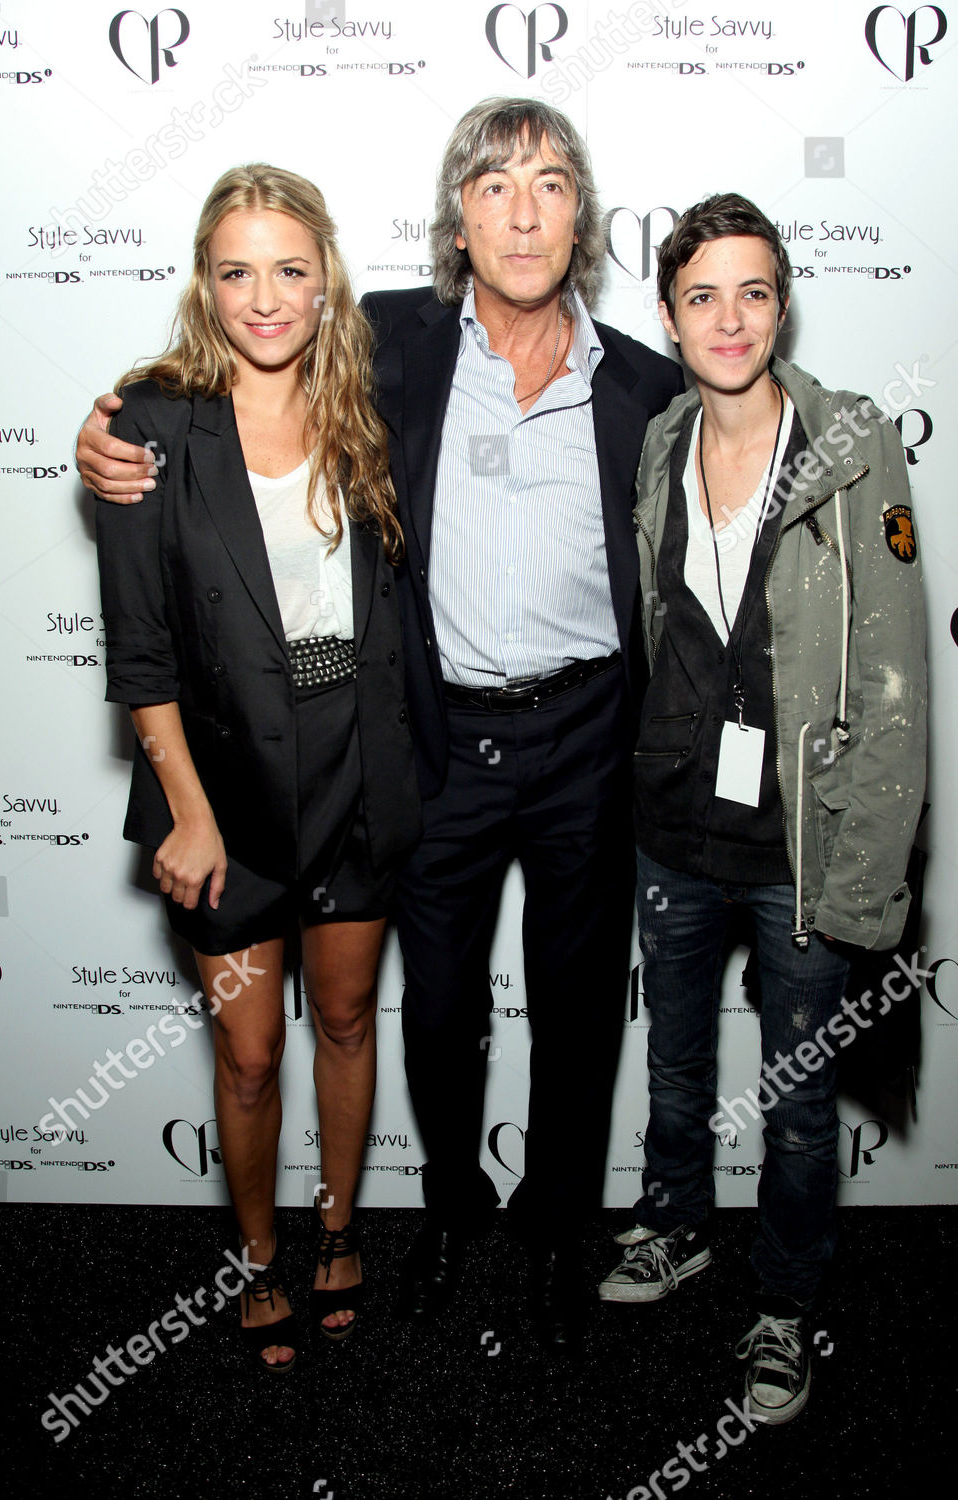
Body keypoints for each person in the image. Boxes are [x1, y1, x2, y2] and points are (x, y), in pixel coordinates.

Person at [77, 99, 683, 1355]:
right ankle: (450, 1213)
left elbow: (742, 433)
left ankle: (555, 1228)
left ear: (583, 216)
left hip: (585, 740)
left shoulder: (646, 384)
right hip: (434, 743)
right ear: (456, 220)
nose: (523, 215)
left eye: (550, 185)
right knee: (439, 1006)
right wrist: (106, 431)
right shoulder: (388, 342)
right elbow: (234, 357)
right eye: (494, 187)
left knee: (577, 1009)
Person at [598, 194, 926, 1421]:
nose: (726, 319)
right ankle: (675, 1226)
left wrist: (863, 879)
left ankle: (783, 1305)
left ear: (780, 306)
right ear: (668, 315)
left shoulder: (851, 444)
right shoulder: (660, 442)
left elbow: (892, 675)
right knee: (675, 1067)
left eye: (750, 292)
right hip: (674, 825)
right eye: (701, 296)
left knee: (795, 1105)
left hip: (801, 839)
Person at [92, 164, 420, 1373]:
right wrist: (188, 813)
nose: (266, 298)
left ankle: (337, 1232)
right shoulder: (148, 425)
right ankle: (259, 1255)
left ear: (326, 277)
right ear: (205, 283)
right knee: (247, 1055)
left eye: (290, 269)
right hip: (219, 786)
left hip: (357, 768)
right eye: (238, 272)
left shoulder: (371, 402)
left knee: (343, 1018)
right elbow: (140, 649)